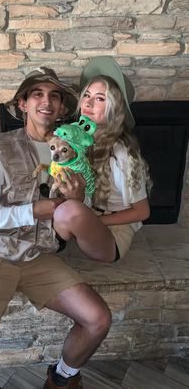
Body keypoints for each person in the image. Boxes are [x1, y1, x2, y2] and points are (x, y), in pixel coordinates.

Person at [0, 67, 117, 389]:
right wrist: (33, 211)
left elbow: (75, 214)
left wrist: (78, 198)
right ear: (23, 103)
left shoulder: (74, 151)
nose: (47, 101)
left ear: (62, 108)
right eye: (38, 94)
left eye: (54, 96)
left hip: (38, 255)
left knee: (98, 319)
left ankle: (61, 377)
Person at [73, 56, 151, 261]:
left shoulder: (122, 153)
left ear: (114, 108)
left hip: (115, 234)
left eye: (100, 98)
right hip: (90, 218)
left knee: (65, 213)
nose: (88, 103)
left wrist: (94, 221)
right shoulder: (78, 141)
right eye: (86, 95)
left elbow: (142, 212)